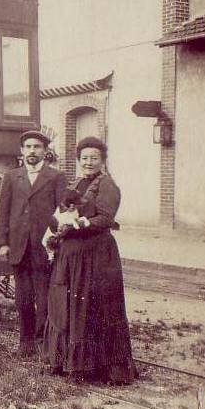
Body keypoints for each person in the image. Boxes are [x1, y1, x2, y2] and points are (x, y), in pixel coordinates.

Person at [43, 137, 137, 384]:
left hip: (95, 255)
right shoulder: (75, 182)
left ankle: (96, 366)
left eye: (94, 158)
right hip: (72, 255)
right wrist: (56, 231)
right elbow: (62, 213)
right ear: (78, 160)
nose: (88, 162)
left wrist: (81, 223)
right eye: (84, 158)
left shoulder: (107, 185)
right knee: (69, 305)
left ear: (102, 160)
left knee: (91, 308)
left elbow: (106, 218)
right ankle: (70, 362)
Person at [0, 130, 67, 357]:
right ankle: (25, 342)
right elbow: (2, 213)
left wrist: (57, 240)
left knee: (44, 300)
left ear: (45, 151)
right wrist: (2, 243)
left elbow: (62, 212)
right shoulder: (12, 176)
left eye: (37, 147)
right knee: (23, 299)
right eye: (28, 147)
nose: (32, 151)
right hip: (19, 247)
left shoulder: (55, 177)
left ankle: (42, 341)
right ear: (22, 151)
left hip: (44, 248)